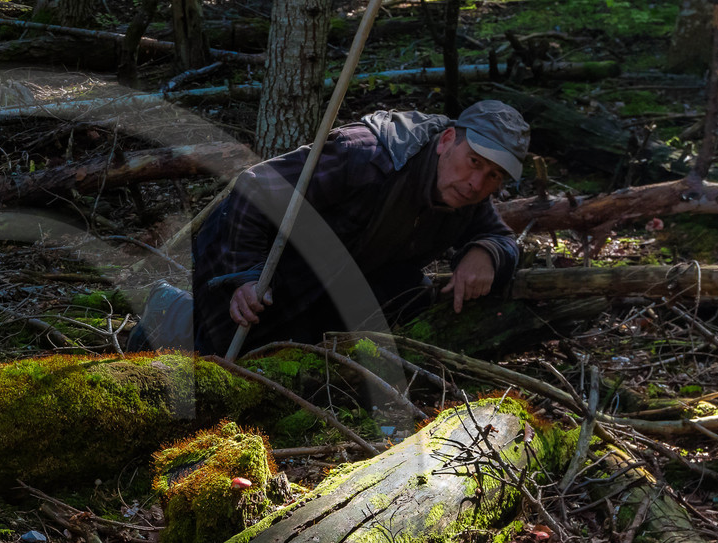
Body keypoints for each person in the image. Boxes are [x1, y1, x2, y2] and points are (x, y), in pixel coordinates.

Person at [189, 100, 530, 356]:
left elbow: (502, 238)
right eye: (474, 162)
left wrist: (486, 253)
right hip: (249, 263)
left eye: (493, 175)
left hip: (331, 287)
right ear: (447, 140)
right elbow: (256, 189)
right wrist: (244, 276)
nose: (476, 183)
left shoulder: (466, 196)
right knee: (212, 362)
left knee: (410, 293)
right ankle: (169, 315)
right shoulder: (366, 156)